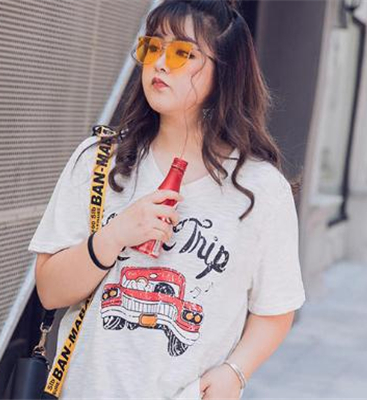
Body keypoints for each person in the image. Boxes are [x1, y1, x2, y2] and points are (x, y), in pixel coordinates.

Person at [28, 0, 306, 398]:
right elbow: (50, 291)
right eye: (152, 47)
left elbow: (276, 308)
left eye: (181, 53)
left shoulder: (261, 189)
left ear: (225, 70)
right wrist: (116, 234)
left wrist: (235, 372)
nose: (159, 63)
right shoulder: (99, 161)